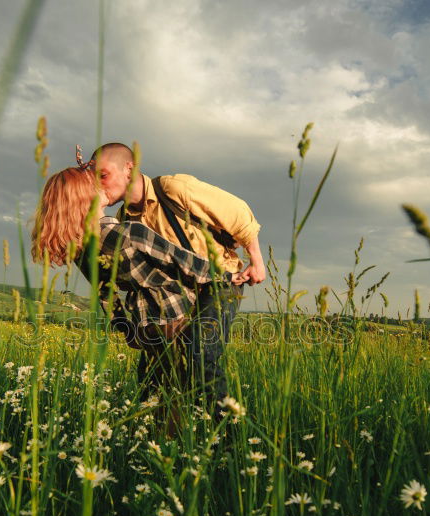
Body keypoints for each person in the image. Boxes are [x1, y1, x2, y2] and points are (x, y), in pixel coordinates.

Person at [30, 166, 242, 425]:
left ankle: (162, 445)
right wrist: (230, 277)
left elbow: (105, 294)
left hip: (146, 327)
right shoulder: (129, 232)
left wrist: (127, 330)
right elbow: (187, 263)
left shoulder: (80, 247)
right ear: (86, 197)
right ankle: (225, 436)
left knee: (159, 396)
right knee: (200, 381)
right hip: (180, 315)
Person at [90, 142, 266, 417]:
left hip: (221, 280)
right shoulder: (124, 219)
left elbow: (238, 211)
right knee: (157, 360)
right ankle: (161, 434)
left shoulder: (174, 188)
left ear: (129, 168)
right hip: (179, 293)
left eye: (103, 175)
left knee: (201, 347)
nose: (98, 186)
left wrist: (256, 261)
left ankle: (225, 434)